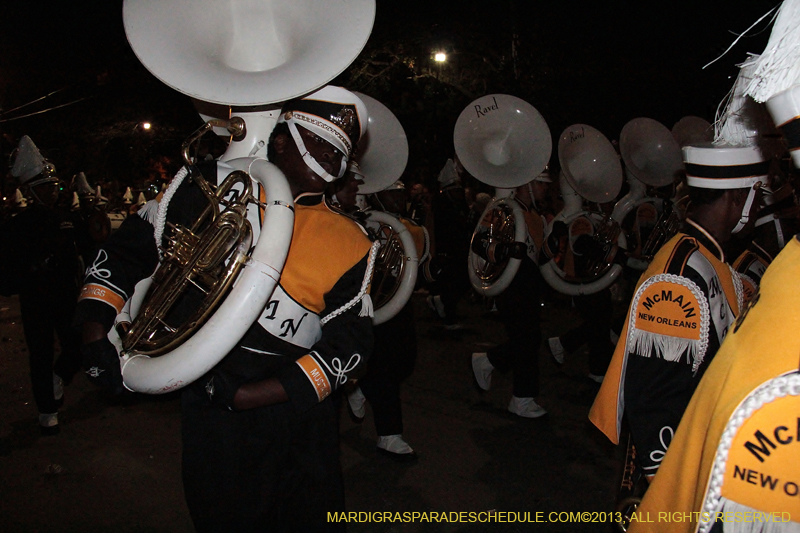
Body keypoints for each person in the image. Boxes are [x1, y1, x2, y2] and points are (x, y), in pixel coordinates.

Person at [75, 86, 376, 531]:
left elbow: (352, 343)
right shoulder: (205, 189)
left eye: (340, 151)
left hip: (300, 418)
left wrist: (254, 394)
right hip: (216, 418)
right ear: (279, 139)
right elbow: (123, 256)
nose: (333, 157)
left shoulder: (352, 241)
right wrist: (95, 333)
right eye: (321, 142)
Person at [589, 143, 767, 480]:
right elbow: (654, 404)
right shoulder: (679, 278)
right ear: (735, 198)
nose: (760, 206)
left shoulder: (709, 258)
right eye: (757, 195)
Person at [0, 136, 83, 435]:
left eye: (53, 186)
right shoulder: (15, 226)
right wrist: (30, 271)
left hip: (64, 294)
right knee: (40, 354)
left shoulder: (65, 218)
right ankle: (47, 410)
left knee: (76, 344)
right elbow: (7, 269)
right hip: (35, 298)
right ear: (31, 191)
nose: (52, 191)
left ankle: (59, 376)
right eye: (45, 187)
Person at [345, 179, 430, 460]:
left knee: (406, 359)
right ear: (377, 195)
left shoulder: (408, 226)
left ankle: (363, 388)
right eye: (391, 192)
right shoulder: (365, 222)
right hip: (372, 300)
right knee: (383, 364)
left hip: (398, 297)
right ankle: (389, 433)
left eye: (400, 193)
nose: (398, 197)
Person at [471, 171, 551, 418]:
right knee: (527, 337)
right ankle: (522, 398)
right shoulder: (504, 210)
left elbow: (539, 255)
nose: (545, 190)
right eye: (541, 184)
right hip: (510, 282)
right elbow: (479, 242)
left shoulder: (537, 217)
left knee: (528, 338)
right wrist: (505, 249)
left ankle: (489, 361)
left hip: (528, 283)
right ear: (527, 184)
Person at [427, 157, 472, 329]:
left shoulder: (458, 202)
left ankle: (442, 302)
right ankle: (449, 317)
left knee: (461, 281)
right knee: (451, 282)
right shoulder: (442, 202)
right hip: (448, 248)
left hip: (459, 247)